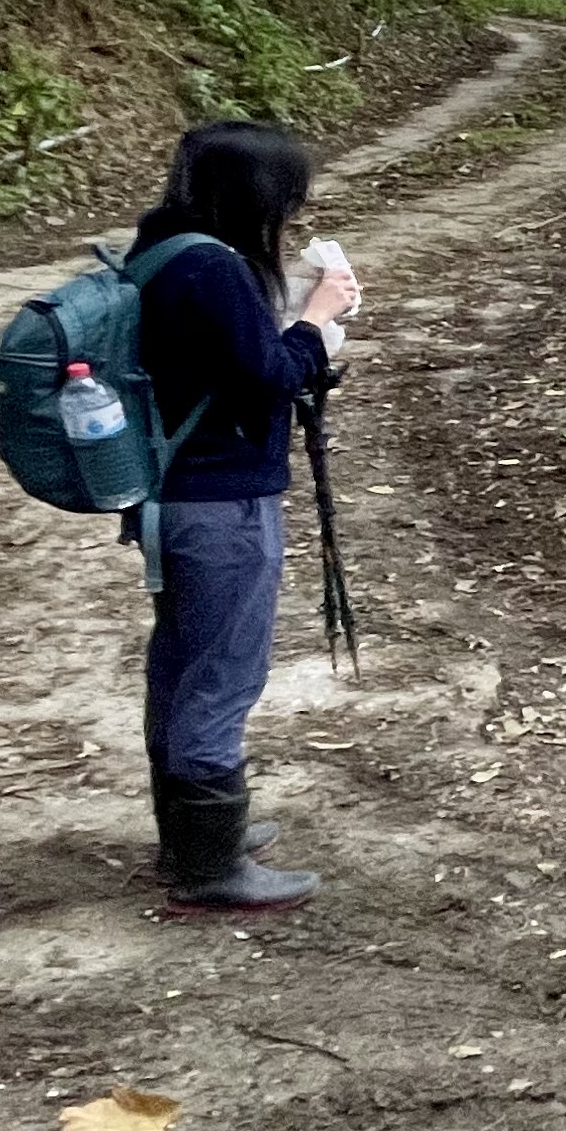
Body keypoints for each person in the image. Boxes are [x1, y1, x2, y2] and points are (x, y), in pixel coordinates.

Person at [127, 120, 359, 911]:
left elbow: (217, 366)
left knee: (183, 662)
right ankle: (207, 865)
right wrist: (317, 321)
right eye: (289, 199)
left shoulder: (163, 251)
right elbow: (266, 379)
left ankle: (193, 832)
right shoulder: (215, 271)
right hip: (221, 502)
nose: (295, 214)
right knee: (223, 674)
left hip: (173, 497)